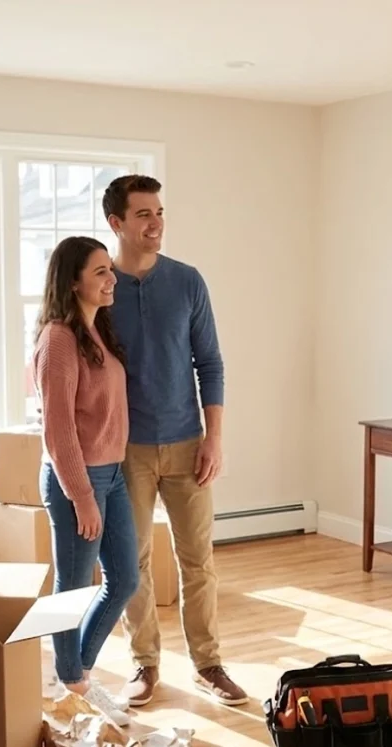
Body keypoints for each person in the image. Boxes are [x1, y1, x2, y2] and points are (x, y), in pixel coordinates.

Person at [100, 174, 249, 708]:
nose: (155, 223)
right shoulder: (100, 288)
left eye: (159, 212)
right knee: (131, 563)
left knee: (198, 561)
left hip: (188, 443)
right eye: (142, 214)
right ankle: (144, 664)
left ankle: (208, 664)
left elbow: (209, 362)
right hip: (126, 450)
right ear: (116, 223)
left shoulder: (187, 282)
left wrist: (214, 438)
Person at [33, 235, 140, 727]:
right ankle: (72, 681)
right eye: (99, 271)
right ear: (72, 279)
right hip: (77, 477)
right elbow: (58, 431)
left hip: (111, 473)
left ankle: (73, 674)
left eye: (108, 270)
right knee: (72, 588)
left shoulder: (95, 332)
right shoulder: (58, 338)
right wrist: (82, 497)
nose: (110, 278)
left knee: (124, 579)